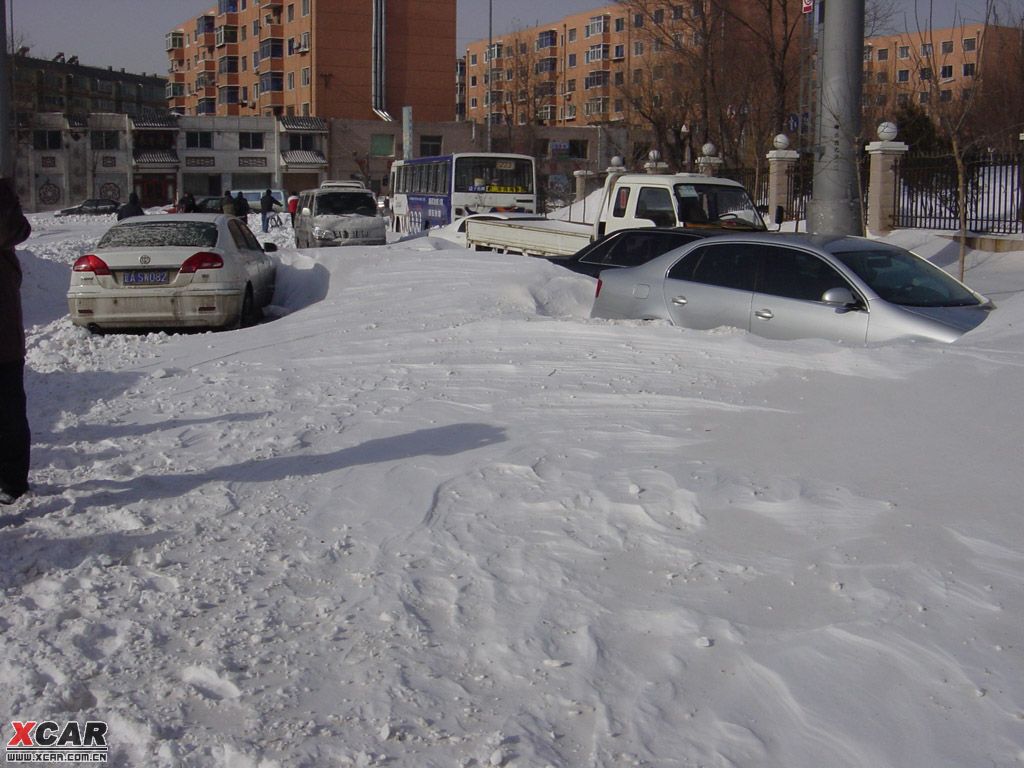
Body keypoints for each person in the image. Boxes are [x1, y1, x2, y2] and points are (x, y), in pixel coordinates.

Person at [0, 179, 32, 505]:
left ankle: (11, 482)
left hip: (3, 340)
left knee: (8, 415)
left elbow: (17, 229)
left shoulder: (7, 217)